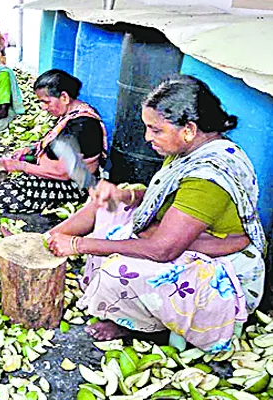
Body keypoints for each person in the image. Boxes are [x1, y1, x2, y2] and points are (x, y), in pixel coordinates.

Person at [46, 75, 266, 353]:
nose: (148, 137)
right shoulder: (191, 149)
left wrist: (79, 245)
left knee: (119, 267)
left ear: (188, 128)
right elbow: (163, 193)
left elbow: (163, 250)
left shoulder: (208, 178)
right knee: (107, 206)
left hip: (223, 272)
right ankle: (50, 238)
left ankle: (145, 327)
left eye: (156, 130)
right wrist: (124, 195)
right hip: (184, 238)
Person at [0, 69, 106, 214]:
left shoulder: (81, 125)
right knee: (9, 181)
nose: (43, 107)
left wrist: (21, 166)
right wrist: (32, 149)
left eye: (46, 102)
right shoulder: (72, 113)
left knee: (3, 194)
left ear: (64, 97)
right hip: (55, 171)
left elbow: (62, 173)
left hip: (75, 185)